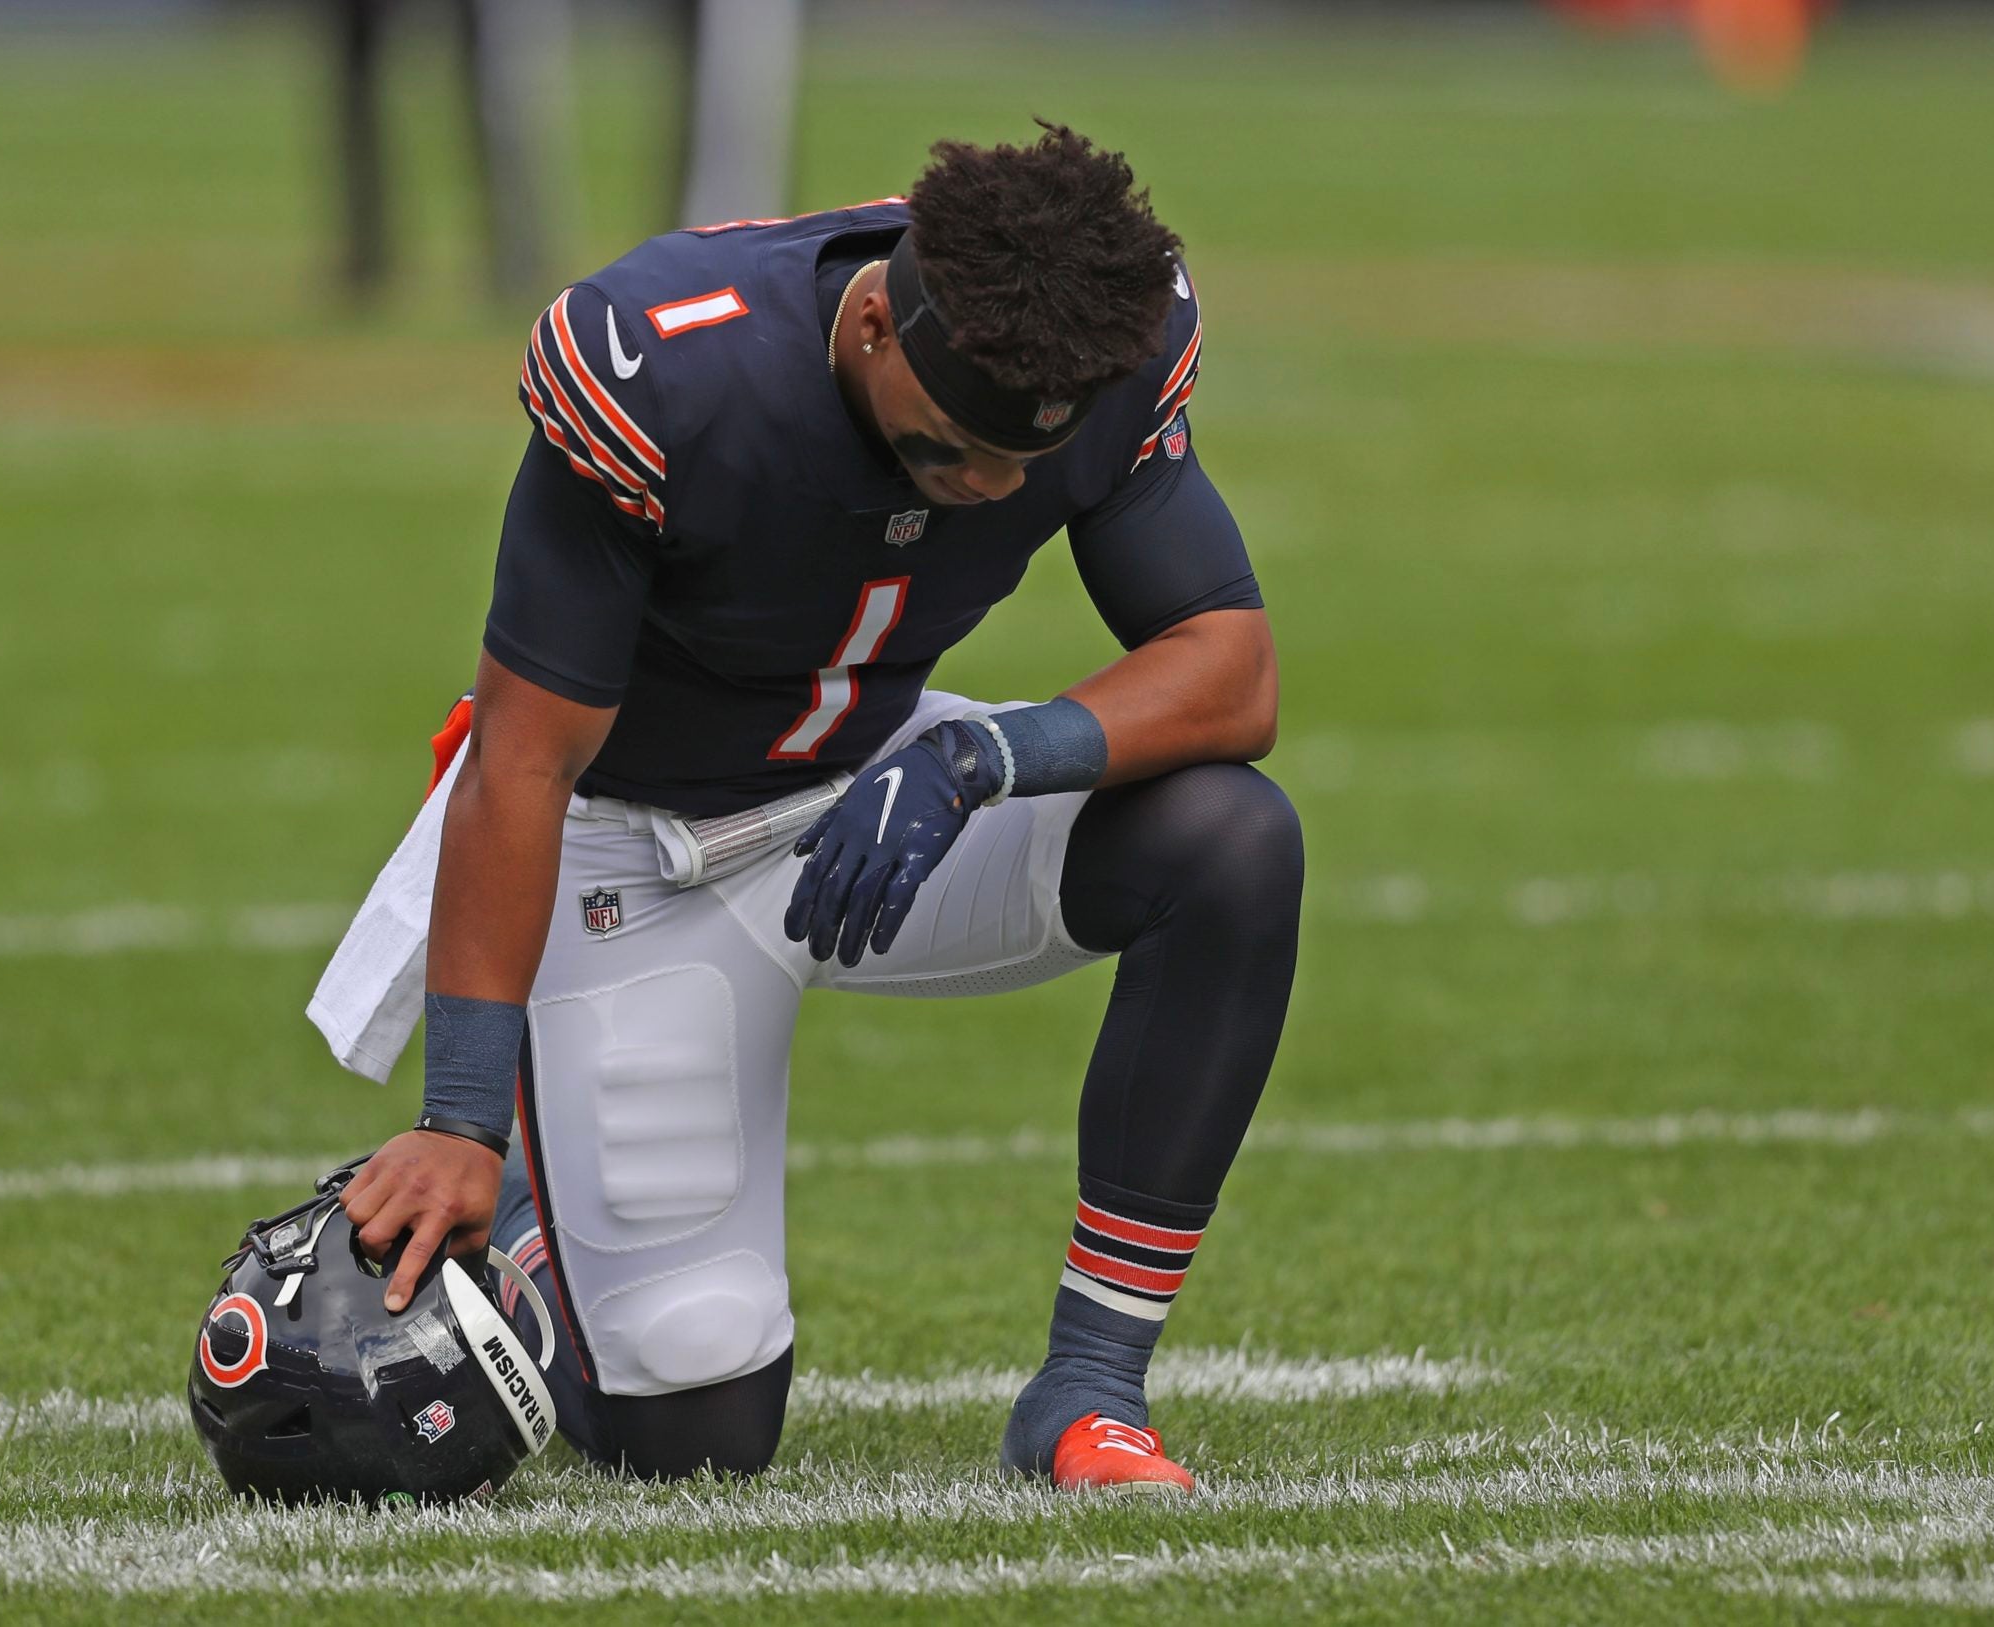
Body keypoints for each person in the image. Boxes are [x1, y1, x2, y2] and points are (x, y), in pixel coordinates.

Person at [307, 123, 1304, 1493]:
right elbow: (522, 760)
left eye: (1027, 464)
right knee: (695, 1439)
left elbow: (1228, 667)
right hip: (631, 845)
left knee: (1229, 841)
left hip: (884, 798)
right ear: (880, 327)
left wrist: (983, 759)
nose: (994, 492)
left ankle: (1090, 1391)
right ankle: (544, 1213)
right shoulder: (668, 365)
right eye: (956, 453)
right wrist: (461, 1118)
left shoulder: (1093, 341)